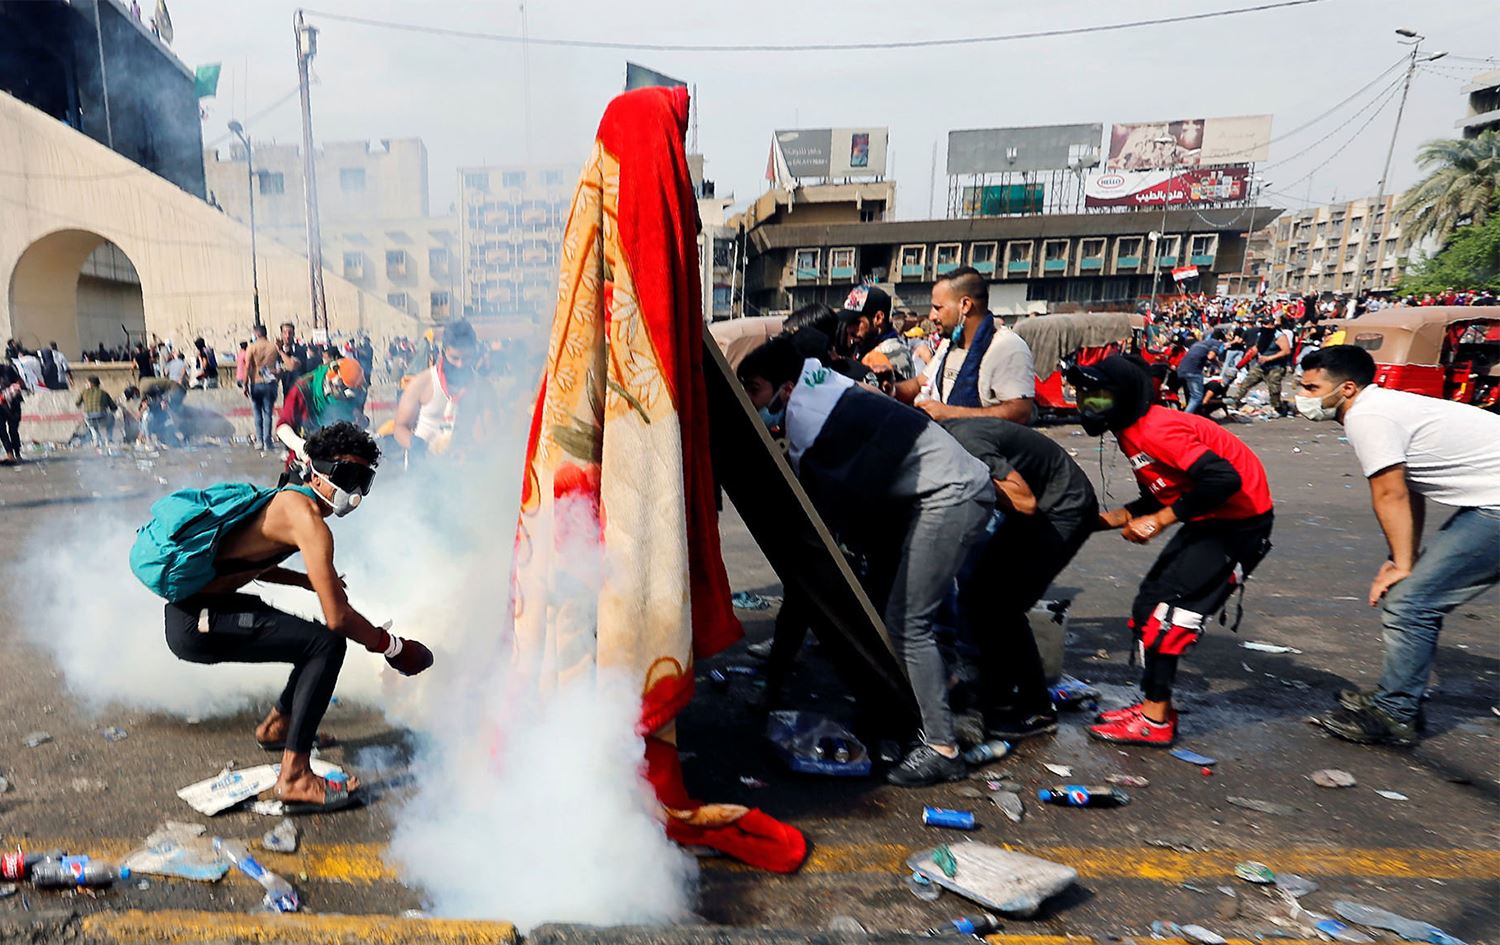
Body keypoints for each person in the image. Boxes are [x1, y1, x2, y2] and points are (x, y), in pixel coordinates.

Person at [737, 335, 995, 785]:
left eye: (754, 391)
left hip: (951, 497)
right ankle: (945, 693)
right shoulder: (826, 385)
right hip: (935, 495)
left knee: (908, 622)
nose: (753, 404)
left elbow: (827, 521)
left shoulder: (809, 418)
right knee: (898, 612)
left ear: (779, 385)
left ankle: (942, 746)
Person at [138, 422, 433, 809]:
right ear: (318, 471)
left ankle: (278, 727)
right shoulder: (307, 518)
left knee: (309, 639)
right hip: (197, 624)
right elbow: (338, 618)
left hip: (207, 610)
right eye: (347, 476)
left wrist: (303, 581)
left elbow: (246, 559)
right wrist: (393, 648)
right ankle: (293, 776)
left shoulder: (288, 498)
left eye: (364, 480)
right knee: (325, 644)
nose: (356, 492)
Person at [1297, 346, 1500, 746]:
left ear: (1347, 388)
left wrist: (1404, 566)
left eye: (1311, 387)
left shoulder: (1367, 417)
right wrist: (1399, 558)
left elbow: (1389, 494)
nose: (1302, 396)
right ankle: (1398, 696)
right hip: (1489, 501)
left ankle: (1395, 713)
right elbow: (1410, 489)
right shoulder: (1382, 405)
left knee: (1410, 603)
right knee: (1413, 597)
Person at [1069, 356, 1274, 746]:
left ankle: (1156, 721)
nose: (1086, 403)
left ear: (1124, 395)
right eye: (1082, 394)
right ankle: (1152, 704)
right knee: (1148, 605)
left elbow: (1222, 479)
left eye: (1096, 394)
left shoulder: (1156, 430)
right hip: (1211, 520)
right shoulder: (1131, 432)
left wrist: (1160, 522)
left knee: (1166, 617)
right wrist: (1097, 522)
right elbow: (1160, 494)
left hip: (1238, 524)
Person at [944, 418, 1100, 741]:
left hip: (1060, 509)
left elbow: (1023, 501)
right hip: (1039, 507)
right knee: (977, 594)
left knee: (1004, 606)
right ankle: (1000, 692)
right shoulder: (948, 439)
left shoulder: (966, 446)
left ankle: (1038, 708)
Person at [895, 266, 1035, 424]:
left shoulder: (1007, 347)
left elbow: (1020, 412)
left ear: (965, 305)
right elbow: (920, 382)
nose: (931, 316)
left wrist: (951, 413)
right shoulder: (949, 345)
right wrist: (888, 389)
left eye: (938, 308)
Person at [393, 319, 486, 460]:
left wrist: (473, 451)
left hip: (463, 467)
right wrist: (417, 445)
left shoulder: (482, 387)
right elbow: (400, 428)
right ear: (444, 351)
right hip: (423, 466)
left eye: (466, 358)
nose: (460, 364)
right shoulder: (421, 383)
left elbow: (490, 433)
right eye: (454, 358)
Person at [273, 358, 368, 471]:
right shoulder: (303, 388)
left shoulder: (354, 395)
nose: (345, 396)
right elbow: (282, 426)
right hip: (304, 462)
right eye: (342, 389)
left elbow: (356, 422)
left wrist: (361, 424)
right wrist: (301, 447)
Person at [1228, 313, 1293, 415]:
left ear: (1272, 324)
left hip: (1276, 366)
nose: (1264, 326)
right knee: (1246, 382)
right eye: (1263, 324)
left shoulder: (1279, 336)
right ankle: (1235, 402)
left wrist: (1269, 358)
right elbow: (1255, 348)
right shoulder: (1261, 334)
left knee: (1274, 389)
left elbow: (1286, 351)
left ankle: (1277, 407)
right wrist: (1241, 364)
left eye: (1266, 324)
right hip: (1261, 365)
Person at [246, 324, 281, 451]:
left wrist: (245, 384)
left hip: (256, 383)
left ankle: (259, 441)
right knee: (268, 413)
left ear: (256, 334)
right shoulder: (273, 347)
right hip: (270, 383)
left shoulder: (252, 347)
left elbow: (247, 367)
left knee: (257, 413)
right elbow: (278, 366)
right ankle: (267, 441)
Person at [1176, 329, 1224, 415]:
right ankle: (1186, 417)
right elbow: (1211, 356)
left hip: (1181, 369)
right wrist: (1218, 364)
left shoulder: (1199, 343)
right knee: (1197, 397)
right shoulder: (1217, 343)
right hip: (1193, 371)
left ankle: (1193, 414)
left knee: (1190, 394)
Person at [76, 376, 118, 451]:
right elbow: (114, 407)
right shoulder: (104, 393)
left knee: (90, 421)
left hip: (89, 419)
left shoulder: (84, 392)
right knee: (111, 417)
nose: (86, 384)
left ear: (91, 384)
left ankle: (96, 440)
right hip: (102, 418)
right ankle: (109, 439)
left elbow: (77, 404)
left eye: (87, 383)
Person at [0, 356, 23, 464]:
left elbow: (20, 382)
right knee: (1, 431)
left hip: (13, 404)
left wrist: (11, 391)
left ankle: (17, 454)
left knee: (13, 431)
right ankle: (10, 454)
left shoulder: (8, 369)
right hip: (1, 407)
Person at [277, 322, 308, 397]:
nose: (287, 336)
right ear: (281, 334)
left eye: (290, 333)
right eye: (285, 333)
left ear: (293, 334)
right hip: (286, 391)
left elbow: (293, 366)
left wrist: (280, 351)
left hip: (300, 391)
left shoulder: (300, 350)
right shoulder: (277, 354)